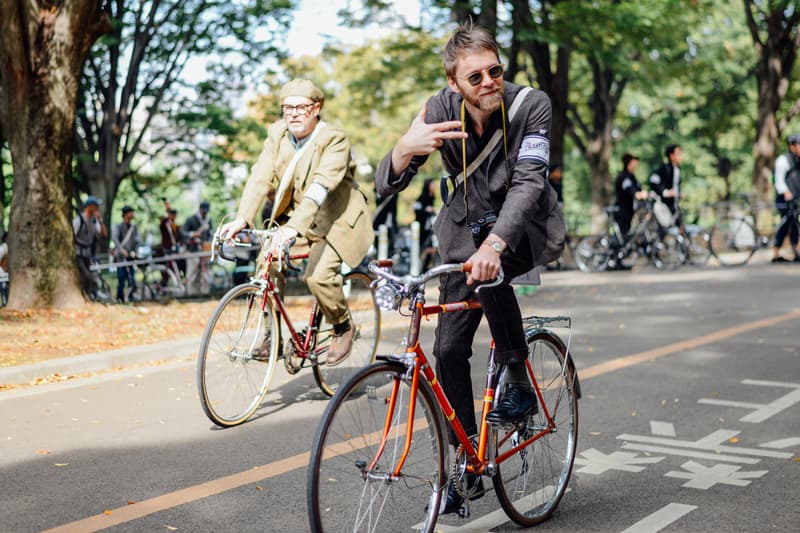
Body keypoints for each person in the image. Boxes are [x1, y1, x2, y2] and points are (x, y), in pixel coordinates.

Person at [375, 23, 564, 514]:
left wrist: (497, 242)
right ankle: (465, 462)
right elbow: (387, 184)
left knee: (488, 272)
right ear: (454, 83)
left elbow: (529, 182)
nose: (488, 82)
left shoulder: (530, 105)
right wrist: (403, 149)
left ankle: (517, 374)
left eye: (494, 70)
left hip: (522, 230)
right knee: (447, 349)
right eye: (474, 76)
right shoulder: (439, 109)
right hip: (463, 236)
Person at [219, 78, 373, 365]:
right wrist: (243, 218)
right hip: (300, 219)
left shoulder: (334, 139)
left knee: (318, 276)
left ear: (316, 108)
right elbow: (260, 176)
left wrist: (292, 228)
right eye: (287, 108)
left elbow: (320, 186)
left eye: (301, 107)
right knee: (266, 265)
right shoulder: (277, 134)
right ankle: (273, 335)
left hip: (336, 221)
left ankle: (342, 326)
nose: (293, 114)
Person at [771, 133, 800, 263]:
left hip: (794, 200)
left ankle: (796, 253)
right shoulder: (783, 160)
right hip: (784, 200)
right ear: (792, 146)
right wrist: (786, 192)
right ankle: (775, 254)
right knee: (785, 225)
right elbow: (779, 180)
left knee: (794, 225)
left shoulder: (797, 160)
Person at [72, 196, 108, 299]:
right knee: (86, 276)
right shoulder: (79, 220)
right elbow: (72, 236)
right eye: (95, 206)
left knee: (92, 277)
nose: (97, 208)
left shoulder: (94, 220)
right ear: (90, 206)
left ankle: (88, 296)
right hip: (78, 254)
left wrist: (100, 220)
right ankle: (84, 296)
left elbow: (104, 234)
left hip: (88, 254)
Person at [614, 153, 649, 239]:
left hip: (630, 210)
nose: (636, 164)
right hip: (623, 211)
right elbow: (632, 192)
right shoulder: (624, 177)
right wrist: (640, 194)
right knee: (623, 235)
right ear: (629, 163)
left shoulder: (631, 176)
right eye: (634, 162)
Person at [182, 201, 214, 295]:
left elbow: (210, 233)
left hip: (204, 250)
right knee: (192, 274)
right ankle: (191, 294)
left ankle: (204, 294)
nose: (205, 213)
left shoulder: (208, 220)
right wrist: (192, 234)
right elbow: (183, 232)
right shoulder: (191, 219)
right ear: (200, 209)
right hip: (193, 251)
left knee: (204, 274)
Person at [648, 144, 683, 221]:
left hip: (674, 205)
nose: (681, 156)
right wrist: (665, 191)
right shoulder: (664, 168)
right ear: (671, 155)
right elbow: (652, 180)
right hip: (663, 205)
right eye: (678, 153)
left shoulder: (678, 169)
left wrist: (679, 193)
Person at [112, 205, 139, 303]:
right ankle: (120, 297)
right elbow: (115, 239)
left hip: (130, 256)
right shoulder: (118, 227)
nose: (132, 214)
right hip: (120, 257)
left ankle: (131, 295)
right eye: (130, 212)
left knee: (132, 277)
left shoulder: (133, 227)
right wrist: (121, 250)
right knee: (121, 277)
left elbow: (136, 241)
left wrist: (136, 252)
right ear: (125, 214)